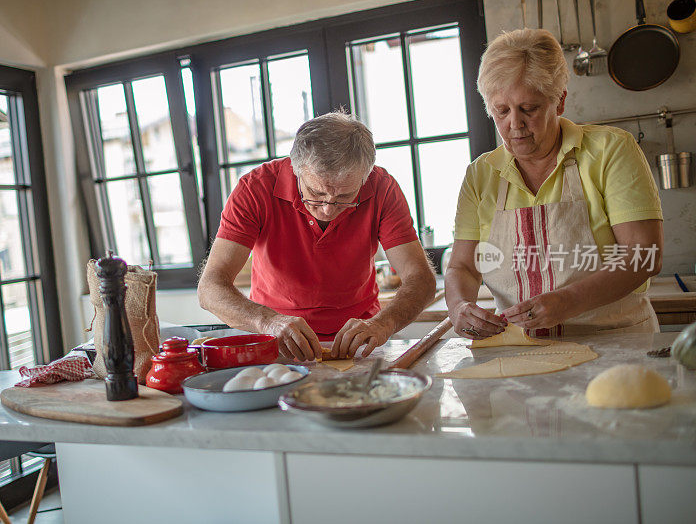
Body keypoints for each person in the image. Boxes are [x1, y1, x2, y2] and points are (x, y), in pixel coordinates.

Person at [445, 28, 663, 339]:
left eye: (528, 109)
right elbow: (462, 268)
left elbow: (645, 254)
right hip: (521, 354)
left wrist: (570, 300)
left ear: (559, 102)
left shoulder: (610, 150)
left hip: (617, 344)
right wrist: (458, 307)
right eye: (501, 111)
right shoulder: (481, 175)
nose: (514, 124)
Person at [198, 112, 436, 361]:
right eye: (315, 193)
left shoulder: (383, 187)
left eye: (345, 198)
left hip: (361, 341)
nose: (328, 209)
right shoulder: (254, 189)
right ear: (296, 168)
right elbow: (210, 288)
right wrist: (268, 322)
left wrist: (382, 325)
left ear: (366, 176)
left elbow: (421, 279)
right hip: (277, 340)